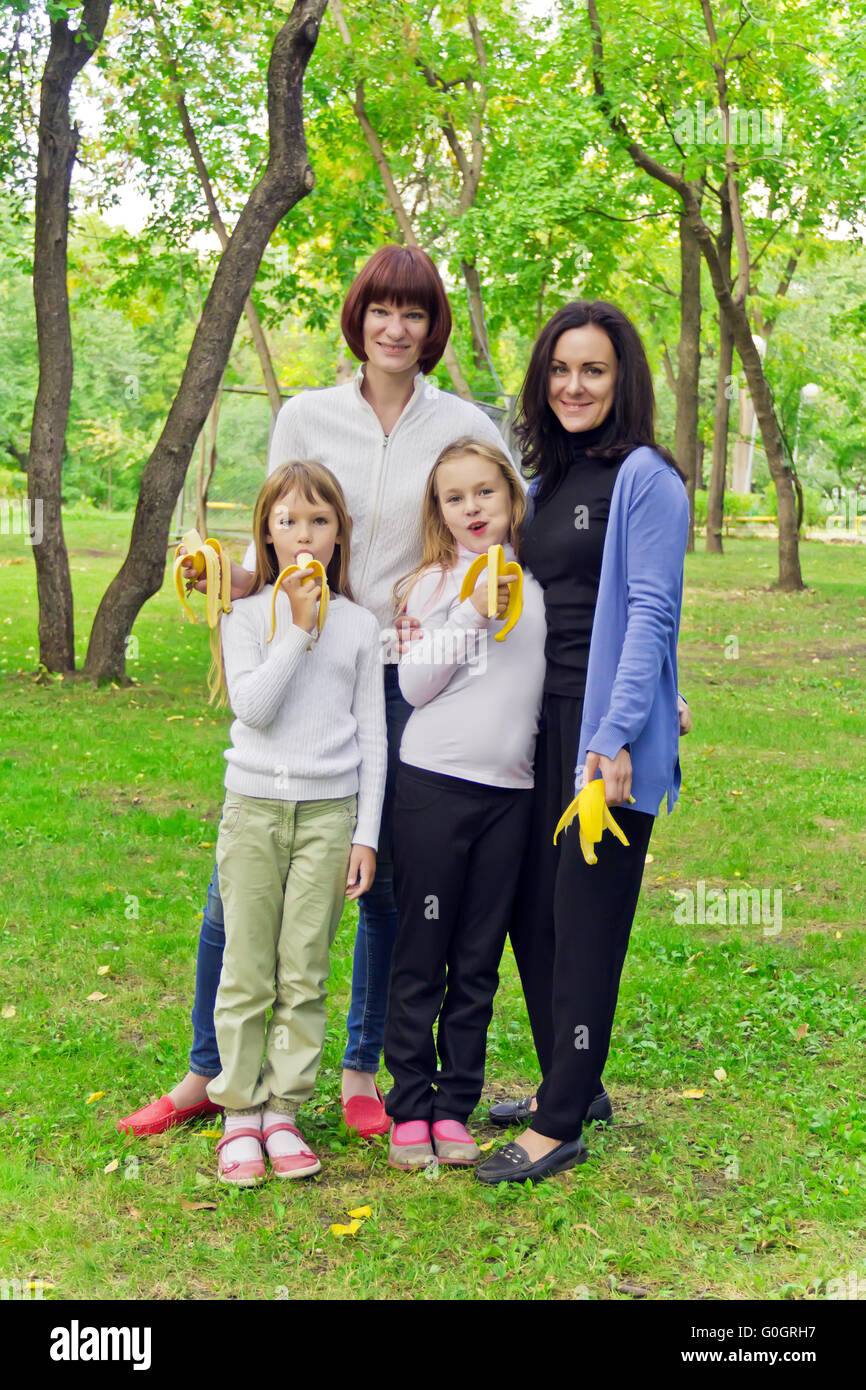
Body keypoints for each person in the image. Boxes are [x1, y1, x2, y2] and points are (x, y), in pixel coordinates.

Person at [117, 245, 511, 1140]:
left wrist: (445, 604)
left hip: (408, 678)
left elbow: (488, 531)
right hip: (306, 659)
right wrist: (228, 573)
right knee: (237, 894)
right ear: (359, 318)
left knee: (381, 883)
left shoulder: (464, 421)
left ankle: (359, 1069)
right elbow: (280, 528)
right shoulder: (307, 414)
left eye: (414, 313)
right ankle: (205, 1072)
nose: (396, 328)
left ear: (433, 326)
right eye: (382, 310)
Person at [474, 301, 690, 1185]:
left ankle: (560, 1122)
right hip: (539, 721)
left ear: (622, 379)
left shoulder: (648, 478)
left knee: (586, 922)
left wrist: (617, 730)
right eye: (561, 369)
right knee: (535, 912)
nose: (574, 385)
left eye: (593, 370)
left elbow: (652, 614)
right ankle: (576, 1077)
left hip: (603, 739)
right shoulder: (549, 475)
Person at [205, 460, 386, 1184]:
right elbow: (254, 707)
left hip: (329, 813)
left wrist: (366, 832)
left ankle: (284, 1110)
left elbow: (373, 735)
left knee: (303, 970)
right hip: (252, 809)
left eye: (319, 520)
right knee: (247, 967)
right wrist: (295, 629)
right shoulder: (244, 617)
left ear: (340, 532)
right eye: (288, 522)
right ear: (267, 533)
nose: (304, 535)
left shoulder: (361, 626)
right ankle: (240, 1113)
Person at [383, 438, 546, 1169]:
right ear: (439, 512)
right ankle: (409, 1106)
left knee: (478, 959)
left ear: (513, 496)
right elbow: (414, 689)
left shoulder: (543, 583)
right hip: (433, 785)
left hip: (510, 795)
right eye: (455, 497)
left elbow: (581, 661)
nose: (473, 507)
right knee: (424, 951)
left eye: (486, 491)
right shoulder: (432, 586)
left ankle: (456, 1106)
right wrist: (471, 610)